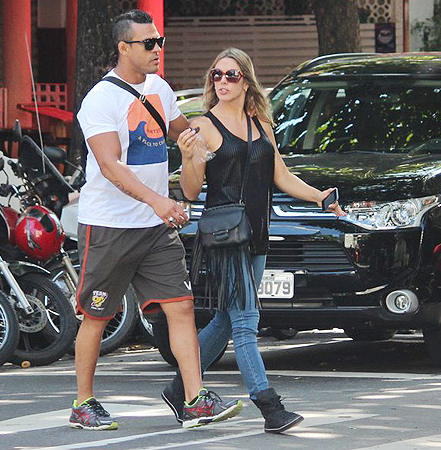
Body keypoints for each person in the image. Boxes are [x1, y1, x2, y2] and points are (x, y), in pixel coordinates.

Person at [70, 10, 242, 431]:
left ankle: (194, 399)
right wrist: (158, 201)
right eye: (148, 44)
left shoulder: (160, 90)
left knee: (181, 307)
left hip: (154, 226)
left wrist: (207, 146)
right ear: (123, 48)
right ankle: (83, 403)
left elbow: (188, 136)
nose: (157, 50)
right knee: (97, 315)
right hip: (109, 226)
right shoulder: (101, 100)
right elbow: (109, 165)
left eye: (159, 41)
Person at [164, 47, 345, 434]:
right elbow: (193, 191)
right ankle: (270, 407)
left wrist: (319, 196)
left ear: (246, 80)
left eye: (231, 75)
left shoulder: (260, 122)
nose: (223, 82)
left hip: (258, 234)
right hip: (227, 238)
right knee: (247, 322)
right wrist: (191, 159)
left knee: (225, 323)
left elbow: (280, 175)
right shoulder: (204, 126)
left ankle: (180, 388)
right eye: (216, 75)